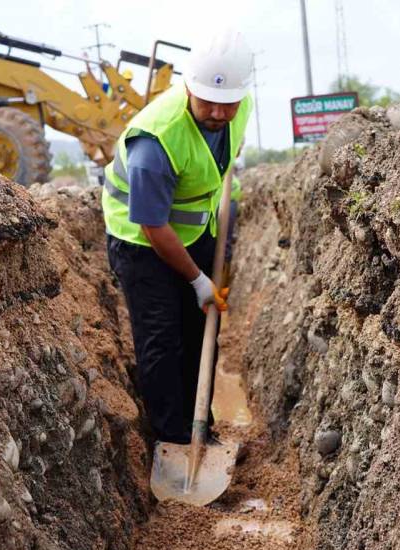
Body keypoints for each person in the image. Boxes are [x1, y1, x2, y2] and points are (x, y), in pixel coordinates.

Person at [102, 29, 253, 445]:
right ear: (188, 86)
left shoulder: (239, 107)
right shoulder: (156, 141)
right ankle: (171, 438)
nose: (218, 113)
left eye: (227, 104)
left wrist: (218, 256)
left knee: (201, 329)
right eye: (208, 102)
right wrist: (197, 280)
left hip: (196, 231)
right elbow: (153, 226)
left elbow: (222, 169)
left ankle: (199, 427)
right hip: (140, 242)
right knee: (162, 339)